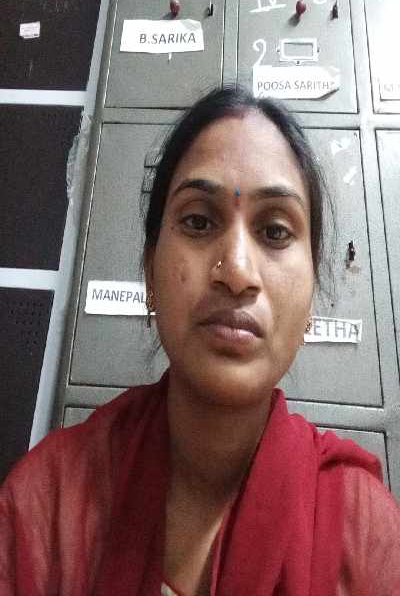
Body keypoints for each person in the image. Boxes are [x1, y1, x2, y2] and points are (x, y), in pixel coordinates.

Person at [0, 86, 399, 596]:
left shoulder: (364, 530)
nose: (236, 272)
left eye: (275, 231)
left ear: (312, 295)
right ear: (150, 271)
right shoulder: (45, 504)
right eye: (198, 221)